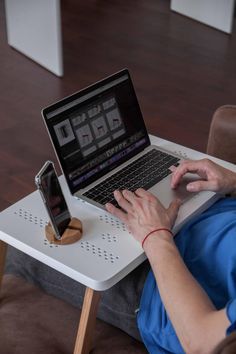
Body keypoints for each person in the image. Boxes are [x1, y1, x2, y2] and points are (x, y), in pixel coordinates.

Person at [105, 158, 236, 354]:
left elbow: (203, 341)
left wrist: (155, 236)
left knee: (49, 258)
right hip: (208, 212)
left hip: (161, 288)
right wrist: (233, 181)